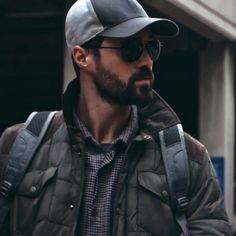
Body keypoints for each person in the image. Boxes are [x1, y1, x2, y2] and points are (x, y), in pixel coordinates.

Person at [0, 0, 232, 235]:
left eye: (151, 47)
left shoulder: (188, 159)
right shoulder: (19, 147)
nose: (147, 61)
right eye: (131, 48)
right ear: (82, 57)